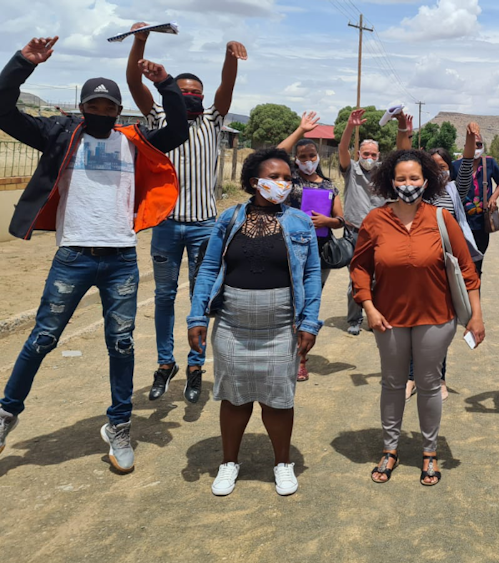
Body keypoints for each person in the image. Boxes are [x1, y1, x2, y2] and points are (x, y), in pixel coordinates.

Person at [0, 37, 188, 472]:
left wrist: (167, 85)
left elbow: (178, 129)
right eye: (94, 106)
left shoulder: (134, 140)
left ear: (118, 110)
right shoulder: (58, 133)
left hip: (121, 257)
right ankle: (7, 414)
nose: (101, 114)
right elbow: (3, 109)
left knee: (121, 344)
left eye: (108, 108)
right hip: (74, 254)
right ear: (83, 107)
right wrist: (22, 64)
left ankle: (119, 426)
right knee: (43, 338)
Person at [187, 148, 323, 497]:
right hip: (233, 324)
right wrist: (197, 315)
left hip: (281, 327)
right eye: (274, 177)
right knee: (234, 397)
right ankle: (229, 463)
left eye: (287, 178)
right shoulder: (229, 219)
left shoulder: (300, 221)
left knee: (279, 398)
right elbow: (208, 268)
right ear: (254, 181)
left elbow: (310, 274)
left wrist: (309, 322)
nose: (283, 183)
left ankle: (282, 464)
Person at [126, 22, 248, 405]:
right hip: (165, 224)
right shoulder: (159, 120)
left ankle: (196, 366)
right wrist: (139, 42)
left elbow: (226, 88)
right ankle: (166, 363)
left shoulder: (213, 120)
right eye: (184, 92)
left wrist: (230, 57)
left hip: (204, 226)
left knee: (200, 298)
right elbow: (133, 83)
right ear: (172, 95)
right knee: (164, 296)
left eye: (196, 91)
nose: (191, 96)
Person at [351, 149, 485, 486]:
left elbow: (467, 269)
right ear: (390, 181)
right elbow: (360, 268)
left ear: (426, 180)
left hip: (436, 318)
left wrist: (476, 316)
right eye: (401, 178)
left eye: (414, 178)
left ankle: (429, 452)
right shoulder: (376, 220)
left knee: (427, 384)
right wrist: (368, 306)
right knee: (393, 384)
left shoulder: (442, 218)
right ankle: (390, 449)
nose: (408, 184)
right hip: (388, 319)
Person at [403, 124, 485, 402]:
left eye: (443, 166)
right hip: (416, 267)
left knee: (440, 328)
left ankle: (439, 378)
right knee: (413, 324)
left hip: (444, 271)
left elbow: (467, 166)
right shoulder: (417, 192)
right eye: (434, 166)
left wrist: (469, 140)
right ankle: (411, 377)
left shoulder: (453, 189)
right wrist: (405, 132)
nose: (440, 170)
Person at [279, 112, 346, 381]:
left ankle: (301, 360)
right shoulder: (288, 178)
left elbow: (341, 220)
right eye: (302, 156)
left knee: (308, 302)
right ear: (296, 159)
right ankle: (282, 352)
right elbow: (275, 153)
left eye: (311, 156)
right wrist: (300, 130)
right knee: (287, 301)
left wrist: (327, 220)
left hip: (319, 252)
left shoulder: (330, 186)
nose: (307, 160)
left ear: (319, 157)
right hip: (286, 248)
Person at [340, 108, 413, 336]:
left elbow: (403, 156)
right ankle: (354, 319)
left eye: (373, 154)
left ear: (379, 156)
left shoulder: (384, 173)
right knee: (357, 278)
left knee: (380, 278)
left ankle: (376, 317)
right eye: (365, 153)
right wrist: (351, 127)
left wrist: (404, 131)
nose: (369, 158)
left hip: (381, 234)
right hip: (355, 233)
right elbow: (342, 149)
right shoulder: (350, 171)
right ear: (358, 153)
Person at [452, 128, 499, 276]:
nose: (476, 148)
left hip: (482, 222)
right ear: (466, 146)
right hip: (462, 222)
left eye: (479, 144)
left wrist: (493, 197)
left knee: (477, 263)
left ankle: (475, 292)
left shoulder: (489, 163)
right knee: (461, 261)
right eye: (473, 144)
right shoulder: (456, 166)